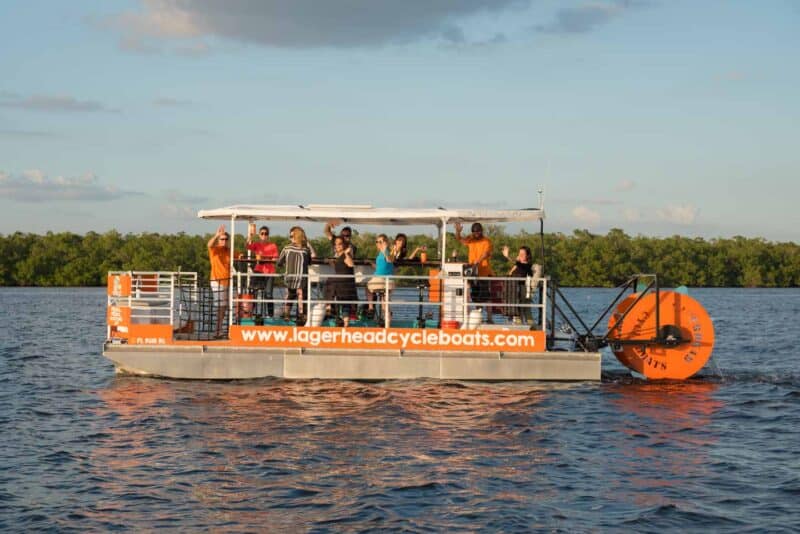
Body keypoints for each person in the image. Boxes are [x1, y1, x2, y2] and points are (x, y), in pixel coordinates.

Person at [454, 222, 495, 322]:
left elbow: (486, 254)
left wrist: (478, 261)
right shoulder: (471, 239)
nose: (476, 234)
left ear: (481, 231)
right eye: (474, 232)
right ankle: (478, 317)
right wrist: (458, 232)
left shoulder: (487, 241)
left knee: (486, 296)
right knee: (476, 296)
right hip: (473, 272)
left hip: (484, 272)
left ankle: (489, 318)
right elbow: (460, 239)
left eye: (478, 232)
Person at [276, 226, 316, 322]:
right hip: (302, 279)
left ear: (293, 237)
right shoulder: (306, 250)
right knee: (302, 295)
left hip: (290, 279)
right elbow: (310, 261)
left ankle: (287, 314)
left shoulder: (287, 248)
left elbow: (279, 263)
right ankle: (302, 315)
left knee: (290, 295)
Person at [325, 236, 358, 326]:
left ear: (344, 245)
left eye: (340, 244)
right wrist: (331, 262)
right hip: (341, 285)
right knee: (343, 303)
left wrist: (347, 254)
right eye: (336, 244)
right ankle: (343, 321)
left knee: (330, 281)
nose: (337, 246)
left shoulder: (346, 255)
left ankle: (328, 306)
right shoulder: (339, 256)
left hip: (345, 285)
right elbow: (340, 266)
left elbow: (351, 265)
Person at [246, 225, 279, 317]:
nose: (264, 235)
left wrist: (267, 259)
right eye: (262, 233)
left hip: (269, 272)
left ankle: (270, 315)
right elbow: (247, 246)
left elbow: (275, 258)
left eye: (266, 234)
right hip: (258, 271)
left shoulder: (273, 245)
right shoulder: (256, 244)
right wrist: (250, 236)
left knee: (268, 294)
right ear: (259, 235)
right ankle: (250, 313)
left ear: (268, 235)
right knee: (253, 291)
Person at [207, 225, 231, 338]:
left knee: (224, 306)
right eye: (222, 239)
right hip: (217, 280)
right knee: (220, 306)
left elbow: (239, 256)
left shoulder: (229, 251)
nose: (224, 241)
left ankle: (220, 329)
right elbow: (209, 244)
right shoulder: (214, 249)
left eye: (226, 239)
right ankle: (217, 331)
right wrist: (216, 235)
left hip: (227, 281)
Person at [366, 234, 395, 322]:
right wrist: (371, 263)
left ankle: (370, 307)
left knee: (367, 287)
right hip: (386, 281)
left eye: (380, 242)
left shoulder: (387, 252)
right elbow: (381, 267)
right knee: (384, 303)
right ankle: (387, 321)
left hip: (383, 280)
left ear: (385, 242)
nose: (378, 243)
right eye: (377, 242)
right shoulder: (380, 254)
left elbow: (389, 260)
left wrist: (385, 248)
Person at [502, 245, 534, 324]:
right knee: (518, 309)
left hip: (521, 289)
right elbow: (510, 273)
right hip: (513, 289)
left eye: (523, 254)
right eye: (519, 253)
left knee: (522, 310)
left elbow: (519, 264)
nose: (520, 255)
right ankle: (523, 324)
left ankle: (530, 327)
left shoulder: (527, 265)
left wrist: (508, 256)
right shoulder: (517, 265)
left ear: (527, 256)